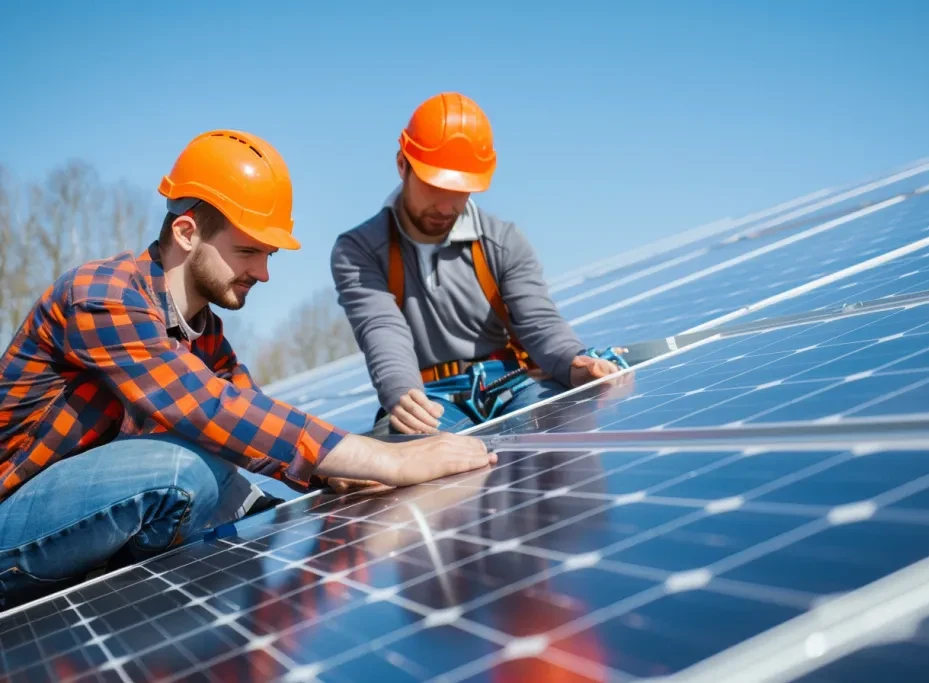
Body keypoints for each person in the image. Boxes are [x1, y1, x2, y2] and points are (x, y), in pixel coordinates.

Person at [0, 129, 494, 612]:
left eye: (268, 255)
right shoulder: (101, 298)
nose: (263, 273)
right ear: (187, 232)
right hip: (11, 521)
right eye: (248, 251)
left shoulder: (202, 330)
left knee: (221, 478)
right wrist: (390, 460)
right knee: (180, 470)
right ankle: (125, 611)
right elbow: (208, 408)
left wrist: (332, 476)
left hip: (66, 524)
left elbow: (250, 413)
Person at [331, 92, 626, 436]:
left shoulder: (502, 240)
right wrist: (402, 394)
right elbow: (382, 330)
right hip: (427, 396)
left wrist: (574, 362)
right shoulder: (359, 249)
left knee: (562, 431)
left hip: (513, 383)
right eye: (433, 186)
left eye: (461, 190)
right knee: (408, 458)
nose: (446, 206)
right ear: (402, 164)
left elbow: (538, 322)